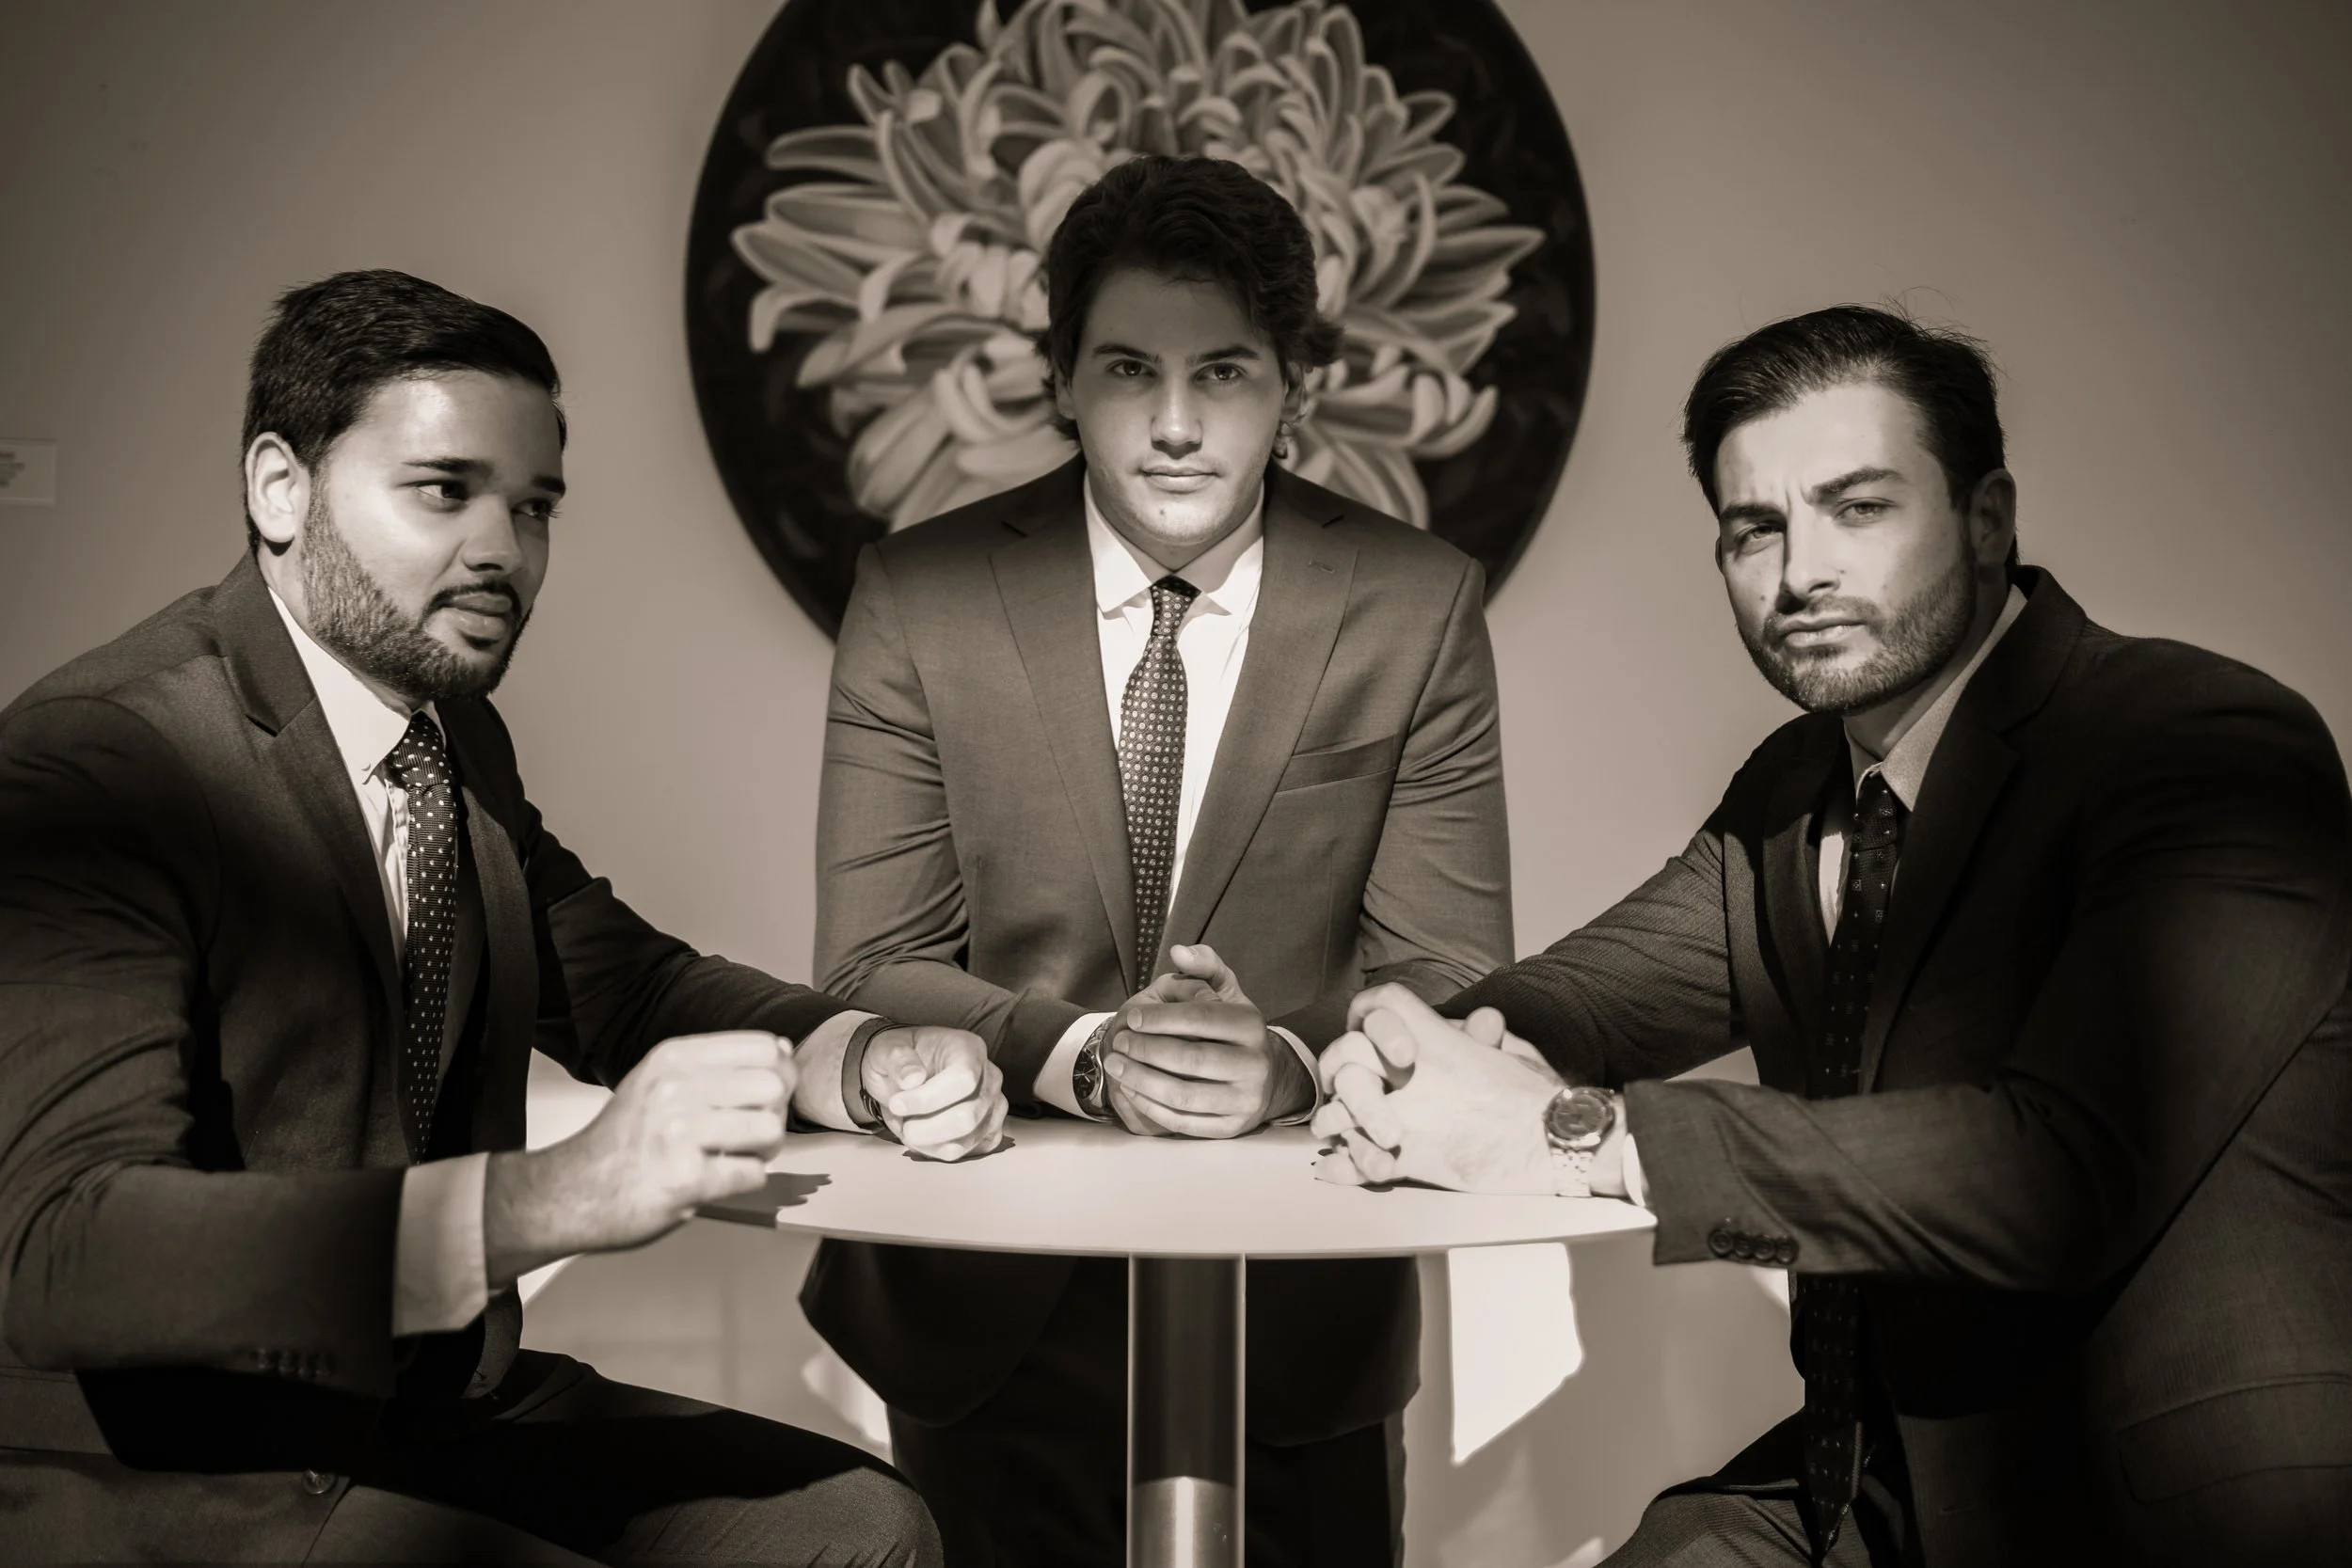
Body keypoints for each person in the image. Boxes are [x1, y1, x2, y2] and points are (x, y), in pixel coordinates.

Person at [1314, 306, 2352, 1566]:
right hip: (1868, 1483)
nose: (1800, 570)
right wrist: (1402, 1049)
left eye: (1858, 508)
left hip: (2153, 1508)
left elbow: (2060, 1173)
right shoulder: (1796, 786)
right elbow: (1591, 996)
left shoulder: (2204, 743)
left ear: (1986, 517)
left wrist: (1566, 1135)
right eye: (1755, 528)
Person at [0, 269, 1009, 1563]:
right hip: (181, 1458)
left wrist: (860, 1054)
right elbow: (64, 1254)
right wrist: (548, 1197)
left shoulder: (450, 741)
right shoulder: (103, 759)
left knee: (859, 1527)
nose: (504, 550)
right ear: (279, 487)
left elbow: (626, 987)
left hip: (424, 1407)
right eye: (445, 489)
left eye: (534, 506)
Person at [803, 154, 1513, 1565]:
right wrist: (1085, 1057)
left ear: (1294, 387)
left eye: (1225, 372)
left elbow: (1452, 972)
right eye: (1130, 369)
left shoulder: (1416, 603)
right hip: (983, 1297)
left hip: (1299, 1303)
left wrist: (1292, 1070)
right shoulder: (920, 593)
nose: (1176, 424)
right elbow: (872, 960)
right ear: (1061, 380)